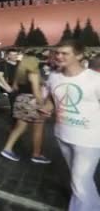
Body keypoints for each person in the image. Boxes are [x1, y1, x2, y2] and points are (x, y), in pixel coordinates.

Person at [41, 40, 100, 211]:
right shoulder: (54, 76)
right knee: (81, 181)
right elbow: (52, 99)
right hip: (63, 134)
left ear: (80, 55)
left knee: (79, 181)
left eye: (65, 53)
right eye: (57, 53)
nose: (59, 56)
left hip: (89, 139)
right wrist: (47, 107)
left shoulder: (95, 79)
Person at [0, 54, 51, 164]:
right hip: (32, 101)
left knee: (20, 127)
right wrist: (42, 106)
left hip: (20, 100)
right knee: (38, 128)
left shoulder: (19, 74)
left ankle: (7, 149)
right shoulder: (34, 73)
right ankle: (36, 155)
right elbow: (37, 92)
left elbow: (15, 88)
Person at [0, 49, 20, 120]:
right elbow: (0, 76)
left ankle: (19, 120)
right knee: (13, 104)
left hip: (21, 86)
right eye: (12, 55)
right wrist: (7, 87)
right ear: (8, 56)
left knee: (20, 104)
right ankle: (14, 120)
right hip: (11, 86)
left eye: (16, 54)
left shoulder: (20, 63)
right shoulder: (3, 64)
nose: (14, 56)